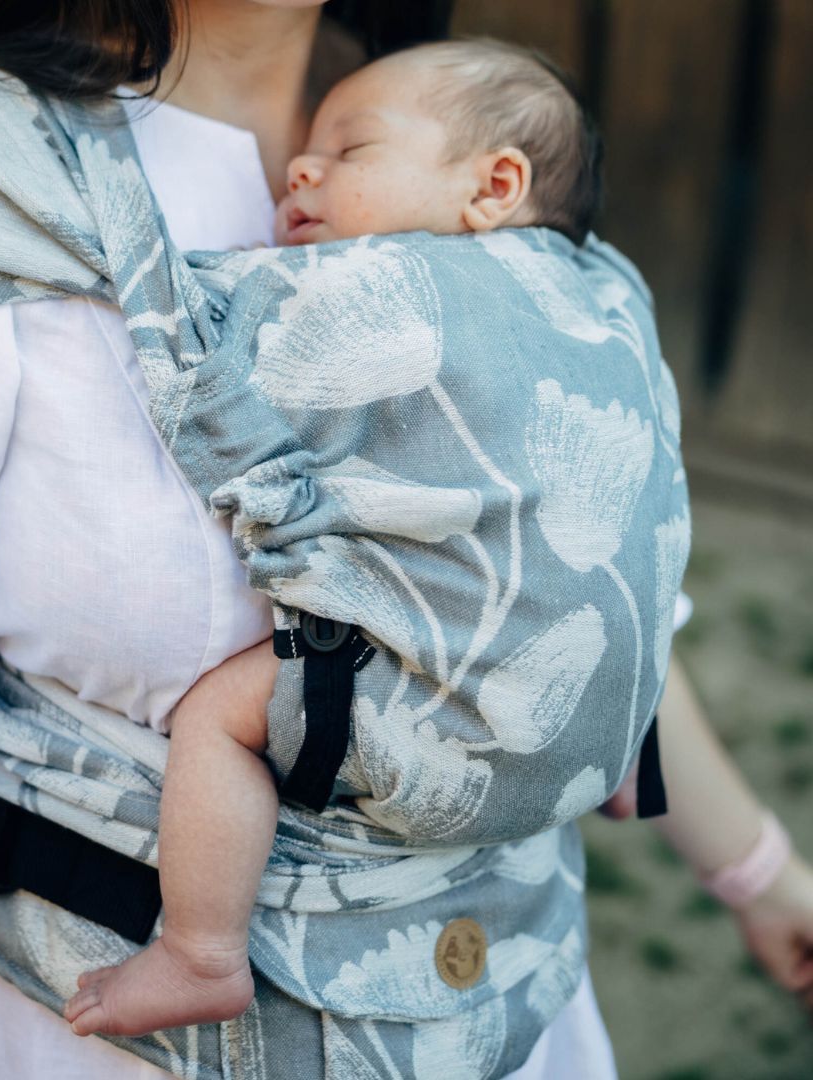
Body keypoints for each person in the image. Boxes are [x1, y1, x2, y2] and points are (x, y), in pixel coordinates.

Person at [0, 6, 809, 1080]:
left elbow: (583, 601)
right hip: (76, 1035)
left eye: (345, 156)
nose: (309, 175)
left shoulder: (454, 121)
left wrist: (763, 876)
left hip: (519, 1027)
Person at [61, 40, 813, 1040]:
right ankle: (616, 758)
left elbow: (201, 340)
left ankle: (199, 952)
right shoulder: (606, 301)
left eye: (351, 147)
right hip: (601, 706)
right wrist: (761, 873)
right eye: (309, 152)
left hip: (436, 726)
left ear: (493, 186)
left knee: (217, 719)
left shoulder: (370, 288)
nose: (302, 168)